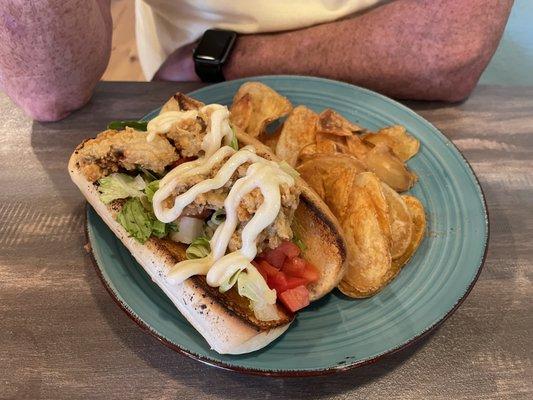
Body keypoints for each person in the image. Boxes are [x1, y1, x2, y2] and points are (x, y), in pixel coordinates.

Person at [0, 0, 513, 121]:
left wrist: (223, 59)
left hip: (400, 86)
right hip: (189, 96)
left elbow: (451, 50)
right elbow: (47, 89)